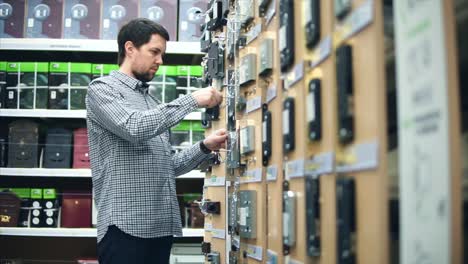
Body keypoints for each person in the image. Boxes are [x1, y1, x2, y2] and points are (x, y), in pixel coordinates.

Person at [85, 18, 226, 264]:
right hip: (124, 226)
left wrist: (205, 147)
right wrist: (191, 100)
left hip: (160, 227)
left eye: (162, 54)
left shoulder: (152, 103)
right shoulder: (102, 89)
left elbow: (167, 166)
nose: (160, 61)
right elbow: (134, 127)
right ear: (130, 48)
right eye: (154, 52)